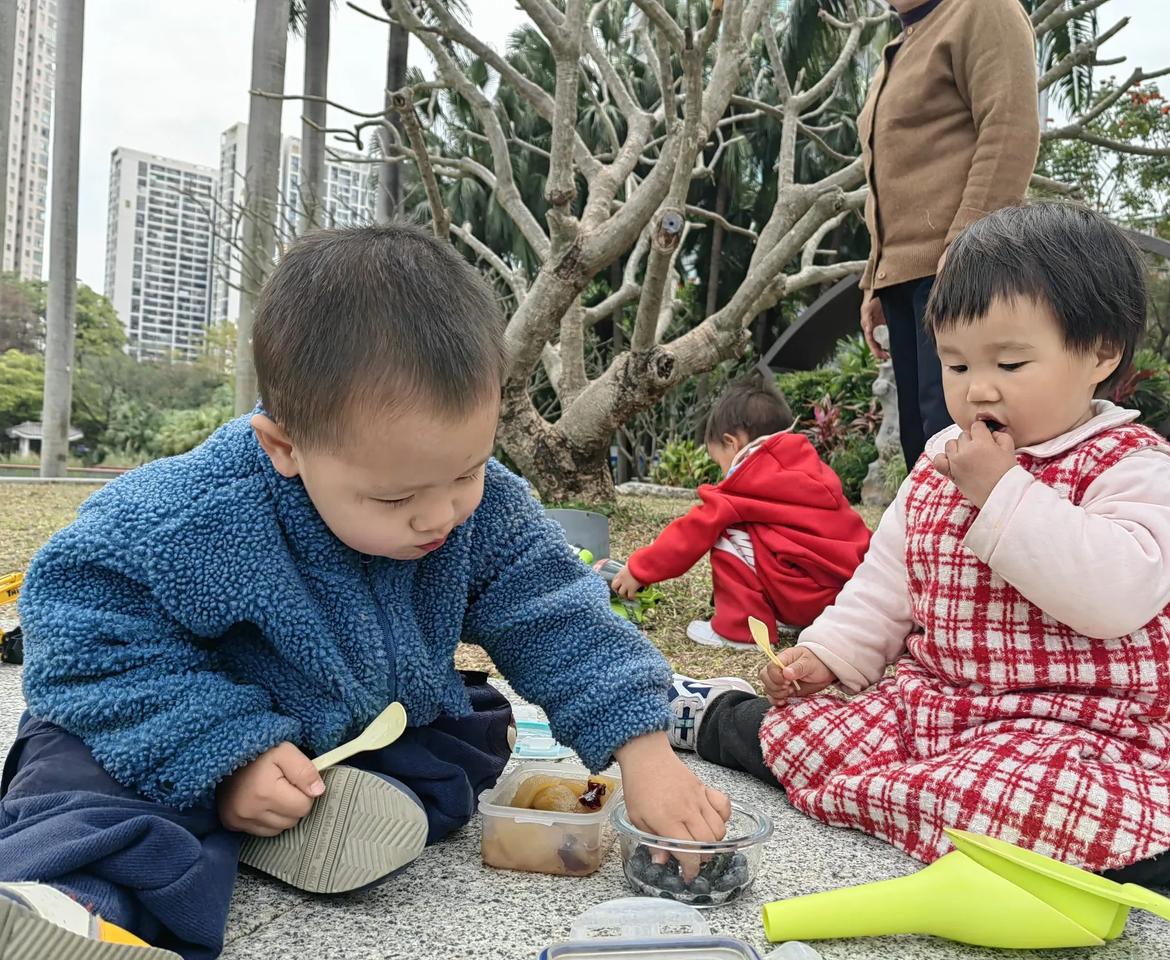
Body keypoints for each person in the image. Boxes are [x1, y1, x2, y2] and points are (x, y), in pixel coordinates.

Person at [0, 225, 731, 960]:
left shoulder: (488, 507)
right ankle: (69, 904)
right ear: (284, 448)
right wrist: (227, 752)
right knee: (79, 778)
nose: (442, 514)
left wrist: (645, 752)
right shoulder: (197, 514)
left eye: (468, 470)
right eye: (396, 498)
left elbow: (556, 613)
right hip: (183, 715)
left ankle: (272, 819)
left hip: (348, 727)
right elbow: (76, 621)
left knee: (470, 734)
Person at [667, 204, 1170, 901]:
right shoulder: (940, 461)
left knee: (1040, 809)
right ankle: (713, 715)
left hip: (1078, 730)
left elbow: (1112, 597)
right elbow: (886, 584)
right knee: (810, 737)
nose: (977, 387)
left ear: (1101, 354)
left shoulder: (1138, 470)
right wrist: (828, 655)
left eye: (1010, 362)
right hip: (940, 709)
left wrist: (1003, 493)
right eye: (956, 363)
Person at [857, 0, 1040, 468]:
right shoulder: (904, 40)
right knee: (923, 441)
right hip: (906, 276)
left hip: (955, 266)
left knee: (959, 433)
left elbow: (1009, 127)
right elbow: (892, 176)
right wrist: (875, 279)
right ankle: (929, 540)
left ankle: (976, 540)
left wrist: (968, 248)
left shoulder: (981, 9)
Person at [611, 380, 871, 650]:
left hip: (807, 600)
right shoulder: (809, 467)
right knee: (769, 537)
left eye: (719, 461)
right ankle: (790, 617)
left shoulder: (749, 478)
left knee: (725, 531)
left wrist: (639, 569)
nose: (723, 472)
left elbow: (692, 531)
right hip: (850, 600)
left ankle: (740, 630)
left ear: (732, 444)